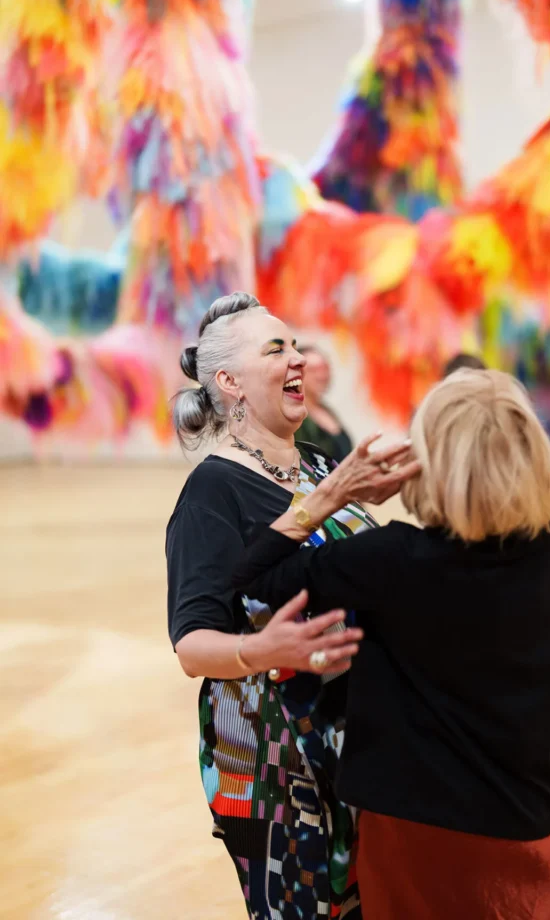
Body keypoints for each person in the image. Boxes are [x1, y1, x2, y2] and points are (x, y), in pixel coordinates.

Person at [233, 369, 550, 920]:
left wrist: (334, 492)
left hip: (411, 835)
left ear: (430, 461)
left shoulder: (391, 558)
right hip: (526, 821)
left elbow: (253, 576)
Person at [166, 292, 416, 919]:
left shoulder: (316, 465)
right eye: (277, 349)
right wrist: (260, 648)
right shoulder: (212, 490)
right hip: (273, 759)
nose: (298, 359)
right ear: (230, 382)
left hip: (356, 740)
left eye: (296, 346)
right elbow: (193, 646)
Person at [295, 344, 353, 461]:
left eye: (325, 368)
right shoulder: (295, 417)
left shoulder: (327, 410)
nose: (322, 375)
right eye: (313, 370)